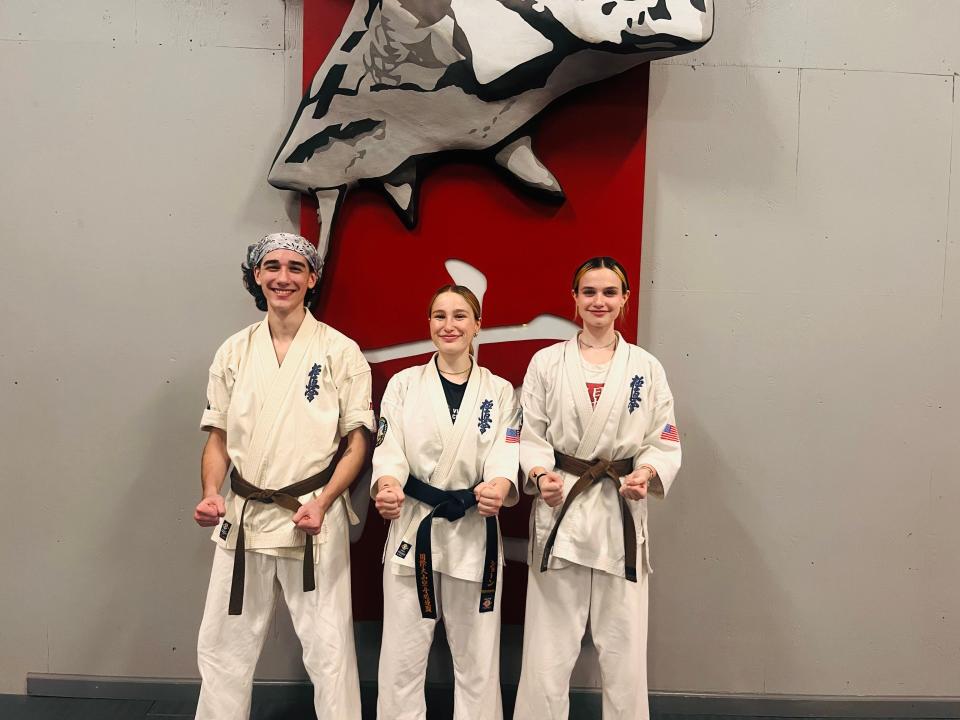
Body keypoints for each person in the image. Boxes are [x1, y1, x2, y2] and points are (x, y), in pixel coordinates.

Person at [192, 232, 372, 720]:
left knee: (329, 649)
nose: (283, 277)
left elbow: (358, 442)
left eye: (296, 268)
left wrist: (327, 500)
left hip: (310, 513)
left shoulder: (340, 350)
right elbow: (218, 437)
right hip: (245, 515)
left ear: (312, 279)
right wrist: (212, 492)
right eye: (272, 266)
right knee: (223, 646)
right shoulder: (233, 351)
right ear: (257, 276)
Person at [513, 256, 682, 720]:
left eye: (610, 292)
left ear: (625, 299)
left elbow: (662, 438)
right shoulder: (547, 362)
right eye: (589, 292)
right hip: (562, 508)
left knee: (624, 651)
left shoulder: (645, 368)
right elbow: (530, 435)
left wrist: (646, 474)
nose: (599, 301)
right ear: (575, 299)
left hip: (619, 514)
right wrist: (539, 475)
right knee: (547, 651)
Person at [372, 284, 521, 720]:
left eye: (460, 316)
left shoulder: (499, 391)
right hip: (415, 525)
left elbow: (505, 450)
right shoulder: (403, 384)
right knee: (402, 656)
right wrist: (387, 485)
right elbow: (389, 448)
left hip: (474, 529)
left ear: (478, 325)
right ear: (429, 324)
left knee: (477, 657)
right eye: (439, 316)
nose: (449, 325)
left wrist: (498, 485)